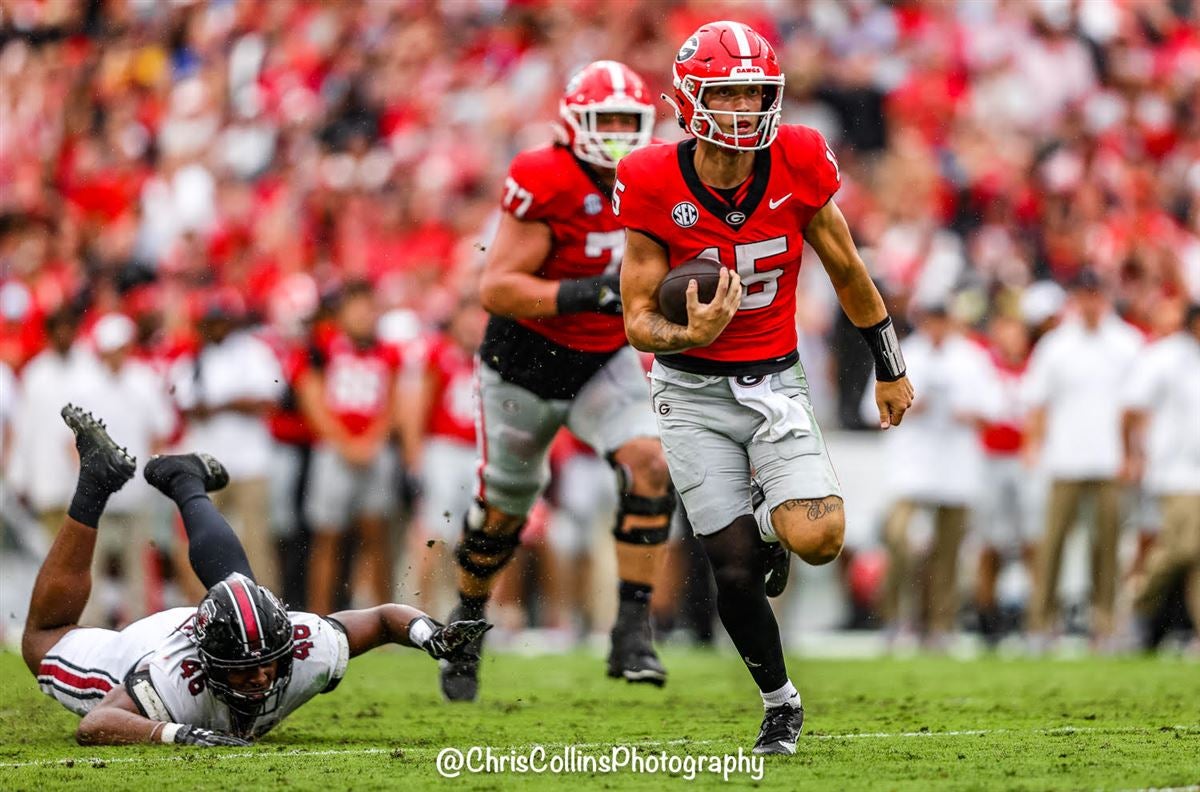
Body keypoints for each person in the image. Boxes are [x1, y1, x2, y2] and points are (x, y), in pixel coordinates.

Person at [615, 20, 913, 754]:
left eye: (757, 93)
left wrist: (889, 363)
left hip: (774, 378)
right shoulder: (652, 178)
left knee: (820, 537)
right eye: (730, 94)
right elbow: (637, 319)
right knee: (735, 569)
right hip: (688, 391)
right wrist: (686, 335)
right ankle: (781, 703)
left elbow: (847, 269)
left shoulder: (800, 159)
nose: (747, 108)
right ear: (691, 100)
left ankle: (773, 517)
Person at [22, 405, 488, 745]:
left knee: (240, 588)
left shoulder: (305, 647)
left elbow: (386, 618)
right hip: (138, 652)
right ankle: (95, 484)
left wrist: (431, 634)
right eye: (246, 671)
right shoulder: (172, 679)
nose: (263, 678)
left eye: (269, 662)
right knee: (43, 640)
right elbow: (97, 724)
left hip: (219, 627)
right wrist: (175, 733)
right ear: (210, 664)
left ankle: (186, 482)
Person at [440, 60, 675, 701]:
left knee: (650, 465)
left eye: (633, 121)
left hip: (603, 359)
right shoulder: (544, 177)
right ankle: (466, 620)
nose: (624, 135)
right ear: (575, 124)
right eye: (610, 122)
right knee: (502, 513)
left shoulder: (657, 178)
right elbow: (498, 287)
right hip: (524, 363)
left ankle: (632, 628)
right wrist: (591, 292)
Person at [1022, 270, 1142, 649]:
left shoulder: (1127, 343)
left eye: (1095, 294)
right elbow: (1038, 402)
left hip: (1109, 461)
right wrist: (1034, 444)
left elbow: (1137, 407)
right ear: (1076, 298)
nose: (1090, 302)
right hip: (1066, 458)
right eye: (1084, 294)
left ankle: (1103, 624)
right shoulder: (1056, 345)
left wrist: (1134, 454)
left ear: (1103, 296)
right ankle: (1041, 624)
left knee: (1106, 545)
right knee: (1053, 542)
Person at [871, 304, 992, 650]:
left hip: (956, 468)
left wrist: (967, 414)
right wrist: (907, 408)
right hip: (912, 467)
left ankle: (941, 624)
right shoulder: (902, 354)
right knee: (898, 538)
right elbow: (872, 408)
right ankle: (894, 618)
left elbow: (993, 409)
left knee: (949, 553)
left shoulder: (972, 359)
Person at [297, 280, 400, 616]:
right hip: (334, 450)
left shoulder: (387, 351)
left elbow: (394, 400)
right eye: (357, 307)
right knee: (328, 537)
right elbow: (310, 396)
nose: (364, 316)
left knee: (377, 534)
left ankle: (384, 618)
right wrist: (344, 442)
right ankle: (320, 616)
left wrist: (372, 439)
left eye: (369, 308)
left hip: (374, 448)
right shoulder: (323, 347)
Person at [1122, 303, 1200, 648]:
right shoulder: (1165, 357)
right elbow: (1131, 408)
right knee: (1184, 548)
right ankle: (1139, 605)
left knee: (1195, 552)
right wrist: (1133, 454)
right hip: (1176, 471)